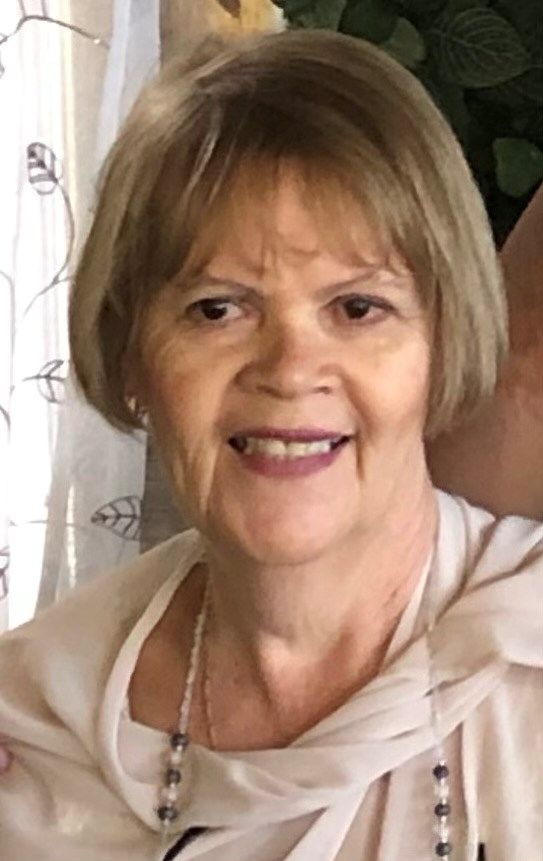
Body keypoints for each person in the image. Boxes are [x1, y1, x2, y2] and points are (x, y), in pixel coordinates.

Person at [0, 29, 541, 861]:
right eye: (217, 308)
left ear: (443, 341)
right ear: (132, 354)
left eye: (357, 307)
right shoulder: (33, 724)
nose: (289, 370)